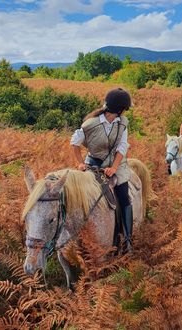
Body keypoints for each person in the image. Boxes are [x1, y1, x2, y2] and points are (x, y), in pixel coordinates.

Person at [70, 88, 133, 254]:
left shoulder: (123, 124)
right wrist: (81, 163)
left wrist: (114, 168)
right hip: (93, 163)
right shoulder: (90, 124)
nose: (125, 112)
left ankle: (127, 239)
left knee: (124, 197)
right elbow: (75, 143)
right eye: (125, 109)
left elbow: (122, 147)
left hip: (116, 163)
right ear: (120, 108)